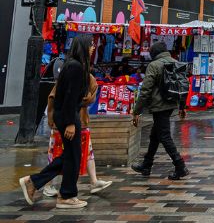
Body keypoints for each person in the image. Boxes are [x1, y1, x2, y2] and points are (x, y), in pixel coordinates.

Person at [20, 35, 94, 209]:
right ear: (83, 47)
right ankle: (66, 196)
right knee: (73, 156)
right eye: (90, 45)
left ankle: (34, 182)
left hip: (66, 114)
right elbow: (68, 97)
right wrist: (69, 123)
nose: (93, 48)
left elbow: (72, 96)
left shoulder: (73, 66)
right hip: (68, 116)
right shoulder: (75, 67)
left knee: (70, 155)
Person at [40, 65, 113, 198]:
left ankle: (94, 181)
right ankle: (46, 184)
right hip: (63, 124)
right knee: (57, 154)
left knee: (87, 152)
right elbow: (54, 98)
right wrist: (53, 120)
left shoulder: (87, 78)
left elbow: (92, 94)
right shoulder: (69, 77)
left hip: (80, 123)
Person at [131, 41, 188, 180]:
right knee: (155, 136)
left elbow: (145, 90)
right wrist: (182, 106)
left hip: (159, 105)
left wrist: (137, 111)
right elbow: (183, 85)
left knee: (164, 136)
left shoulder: (154, 65)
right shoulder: (175, 62)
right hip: (171, 104)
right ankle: (147, 164)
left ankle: (180, 166)